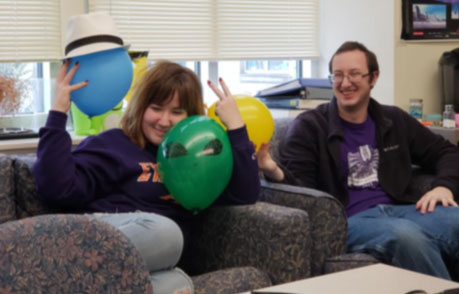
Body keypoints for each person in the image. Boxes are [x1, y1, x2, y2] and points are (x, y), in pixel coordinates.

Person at [33, 60, 260, 293]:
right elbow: (57, 189)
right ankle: (61, 266)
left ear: (191, 117)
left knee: (177, 284)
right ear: (141, 107)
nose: (164, 121)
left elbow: (245, 195)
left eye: (177, 112)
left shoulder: (197, 159)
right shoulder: (114, 144)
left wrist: (235, 126)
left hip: (152, 261)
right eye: (156, 108)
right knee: (167, 232)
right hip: (97, 231)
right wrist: (58, 113)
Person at [258, 41, 459, 280]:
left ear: (373, 78)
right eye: (338, 75)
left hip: (401, 209)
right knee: (407, 238)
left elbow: (447, 152)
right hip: (349, 220)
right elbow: (300, 190)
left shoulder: (393, 119)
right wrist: (273, 171)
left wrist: (444, 186)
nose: (345, 83)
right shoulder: (310, 126)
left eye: (354, 74)